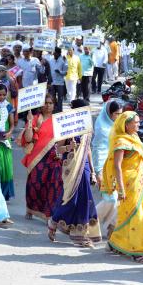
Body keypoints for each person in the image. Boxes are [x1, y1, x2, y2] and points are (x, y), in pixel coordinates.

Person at [48, 99, 102, 247]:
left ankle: (81, 235)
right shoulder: (68, 127)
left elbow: (88, 149)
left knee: (85, 198)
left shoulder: (87, 128)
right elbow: (58, 149)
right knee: (70, 199)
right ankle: (54, 221)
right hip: (70, 167)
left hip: (83, 166)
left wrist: (92, 171)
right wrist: (69, 147)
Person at [102, 111, 143, 264]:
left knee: (138, 213)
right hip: (128, 183)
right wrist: (121, 188)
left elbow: (141, 161)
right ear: (126, 124)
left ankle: (115, 242)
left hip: (140, 181)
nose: (138, 124)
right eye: (135, 122)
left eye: (138, 122)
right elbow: (117, 167)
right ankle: (137, 251)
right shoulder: (121, 142)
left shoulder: (135, 138)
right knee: (135, 215)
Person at [21, 95, 63, 220]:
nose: (48, 105)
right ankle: (30, 208)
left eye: (50, 103)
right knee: (34, 184)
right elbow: (28, 139)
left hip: (53, 158)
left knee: (52, 187)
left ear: (54, 105)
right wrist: (29, 122)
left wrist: (60, 153)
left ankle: (48, 214)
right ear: (40, 105)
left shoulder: (58, 120)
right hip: (36, 158)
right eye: (45, 103)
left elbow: (62, 138)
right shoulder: (34, 119)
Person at [91, 100, 122, 238]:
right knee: (110, 199)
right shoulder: (101, 128)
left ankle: (111, 227)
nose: (118, 117)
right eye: (116, 114)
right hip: (104, 169)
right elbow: (97, 150)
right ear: (109, 113)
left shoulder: (119, 126)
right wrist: (97, 172)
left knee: (118, 199)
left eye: (120, 114)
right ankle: (89, 221)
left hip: (118, 169)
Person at [0, 84, 15, 201]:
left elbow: (12, 124)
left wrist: (10, 132)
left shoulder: (8, 106)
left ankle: (5, 193)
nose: (1, 97)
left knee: (6, 166)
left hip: (5, 139)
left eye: (3, 95)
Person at [47, 47, 68, 112]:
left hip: (60, 83)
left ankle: (59, 111)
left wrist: (60, 72)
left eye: (56, 53)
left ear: (59, 54)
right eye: (54, 53)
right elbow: (49, 72)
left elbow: (66, 73)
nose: (54, 54)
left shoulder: (63, 61)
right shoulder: (51, 61)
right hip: (52, 83)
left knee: (60, 99)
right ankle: (53, 111)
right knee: (52, 98)